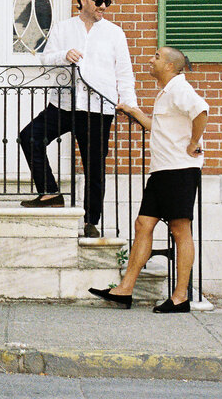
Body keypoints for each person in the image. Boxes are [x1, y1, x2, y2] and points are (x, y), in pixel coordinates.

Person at [88, 46, 209, 313]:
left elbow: (201, 111)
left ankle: (180, 298)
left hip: (180, 170)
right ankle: (124, 290)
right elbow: (158, 127)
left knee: (180, 229)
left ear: (169, 66)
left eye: (156, 57)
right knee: (143, 224)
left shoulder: (179, 88)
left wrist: (193, 142)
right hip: (161, 171)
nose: (150, 60)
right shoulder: (166, 93)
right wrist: (133, 112)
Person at [19, 0, 136, 239]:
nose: (103, 7)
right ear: (83, 0)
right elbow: (46, 59)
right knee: (29, 136)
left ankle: (90, 221)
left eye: (107, 2)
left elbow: (124, 73)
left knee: (94, 167)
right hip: (64, 103)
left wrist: (130, 105)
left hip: (98, 108)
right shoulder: (63, 28)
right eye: (99, 2)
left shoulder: (115, 33)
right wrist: (64, 55)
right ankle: (50, 193)